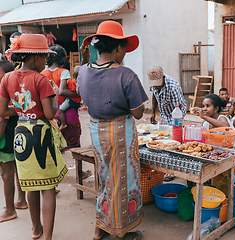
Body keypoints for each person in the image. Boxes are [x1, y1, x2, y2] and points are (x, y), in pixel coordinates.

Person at [77, 20, 147, 240]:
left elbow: (83, 96)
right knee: (123, 181)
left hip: (96, 131)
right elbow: (138, 113)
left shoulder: (83, 72)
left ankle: (100, 227)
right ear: (117, 47)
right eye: (124, 47)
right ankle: (121, 231)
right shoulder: (126, 75)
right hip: (120, 134)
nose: (124, 52)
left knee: (104, 177)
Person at [0, 34, 68, 240]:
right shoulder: (41, 80)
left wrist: (23, 109)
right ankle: (47, 235)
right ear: (35, 57)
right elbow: (49, 114)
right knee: (47, 187)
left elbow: (3, 110)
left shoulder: (7, 78)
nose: (45, 62)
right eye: (43, 58)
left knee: (30, 184)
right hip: (40, 134)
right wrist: (54, 98)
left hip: (20, 133)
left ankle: (36, 229)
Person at [192, 94, 235, 195]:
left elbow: (225, 126)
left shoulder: (222, 117)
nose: (204, 109)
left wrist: (204, 117)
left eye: (208, 106)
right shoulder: (205, 122)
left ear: (216, 108)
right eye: (203, 106)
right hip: (221, 153)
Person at [0, 60, 27, 223]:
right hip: (17, 135)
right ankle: (21, 201)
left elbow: (3, 120)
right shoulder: (17, 90)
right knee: (18, 170)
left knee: (6, 174)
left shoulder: (5, 93)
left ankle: (9, 209)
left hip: (6, 137)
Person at [42, 45, 82, 151]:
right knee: (72, 146)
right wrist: (79, 94)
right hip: (65, 109)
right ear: (62, 58)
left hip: (49, 108)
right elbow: (63, 91)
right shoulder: (63, 72)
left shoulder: (43, 73)